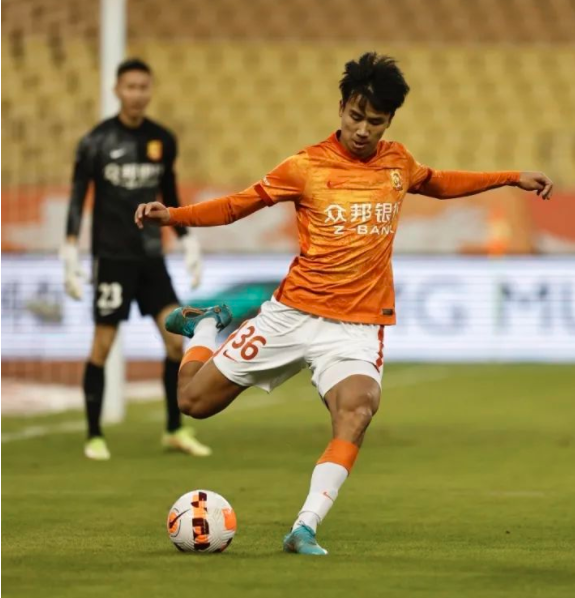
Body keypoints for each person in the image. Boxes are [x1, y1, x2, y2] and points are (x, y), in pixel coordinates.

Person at [134, 52, 553, 554]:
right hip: (291, 315)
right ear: (341, 109)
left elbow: (439, 182)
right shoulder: (305, 166)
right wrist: (173, 215)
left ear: (389, 121)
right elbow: (236, 205)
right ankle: (205, 326)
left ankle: (304, 527)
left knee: (357, 410)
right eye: (356, 116)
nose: (362, 130)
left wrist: (510, 176)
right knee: (192, 403)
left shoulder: (398, 163)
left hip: (355, 329)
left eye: (375, 121)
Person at [62, 58, 211, 461]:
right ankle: (94, 435)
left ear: (150, 90)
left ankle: (174, 429)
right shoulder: (96, 142)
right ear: (117, 90)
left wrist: (187, 240)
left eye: (143, 87)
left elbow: (170, 194)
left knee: (175, 341)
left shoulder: (162, 139)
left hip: (150, 258)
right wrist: (70, 248)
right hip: (112, 258)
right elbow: (77, 197)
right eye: (130, 87)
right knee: (102, 344)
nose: (137, 94)